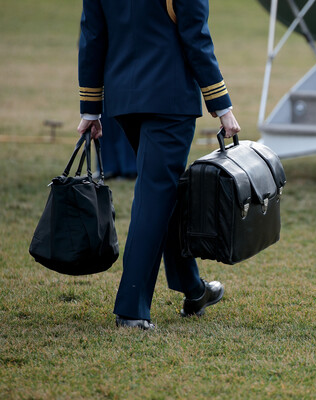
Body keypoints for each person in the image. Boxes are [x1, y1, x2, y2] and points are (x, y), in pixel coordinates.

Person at [77, 0, 241, 330]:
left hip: (123, 100)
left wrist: (91, 108)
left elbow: (93, 37)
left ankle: (193, 288)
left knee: (164, 192)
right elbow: (196, 37)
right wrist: (222, 106)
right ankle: (132, 309)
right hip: (170, 100)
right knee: (155, 195)